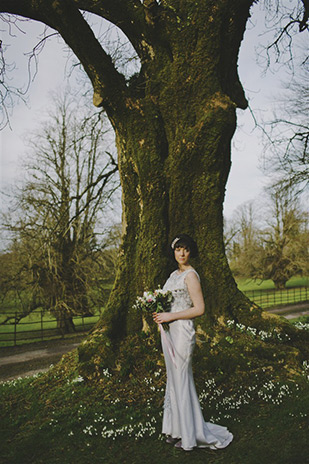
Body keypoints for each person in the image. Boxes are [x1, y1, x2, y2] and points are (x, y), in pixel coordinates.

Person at [153, 234, 233, 452]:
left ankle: (190, 435)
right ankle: (175, 429)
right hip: (170, 332)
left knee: (182, 379)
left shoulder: (191, 276)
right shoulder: (172, 275)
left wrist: (171, 317)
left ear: (190, 252)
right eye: (178, 249)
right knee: (173, 380)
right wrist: (160, 311)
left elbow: (199, 309)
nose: (181, 253)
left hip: (183, 332)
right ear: (173, 251)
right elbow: (169, 301)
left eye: (185, 249)